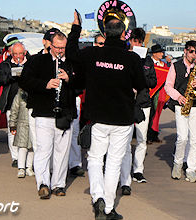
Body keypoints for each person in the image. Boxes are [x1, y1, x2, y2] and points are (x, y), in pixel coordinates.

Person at [66, 13, 146, 219]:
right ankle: (108, 207)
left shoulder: (92, 54)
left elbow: (71, 53)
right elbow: (143, 85)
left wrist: (76, 28)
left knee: (94, 159)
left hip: (99, 118)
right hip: (122, 118)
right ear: (123, 34)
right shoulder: (132, 58)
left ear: (104, 33)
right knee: (113, 163)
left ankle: (98, 197)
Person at [19, 31, 77, 199]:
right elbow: (24, 81)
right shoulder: (37, 61)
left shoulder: (72, 62)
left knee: (62, 151)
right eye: (57, 47)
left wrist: (69, 79)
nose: (60, 51)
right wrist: (45, 84)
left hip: (65, 113)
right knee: (43, 150)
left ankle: (59, 184)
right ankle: (43, 183)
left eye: (63, 48)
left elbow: (82, 84)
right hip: (44, 112)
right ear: (50, 45)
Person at [164, 40, 196, 182]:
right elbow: (168, 86)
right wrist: (178, 97)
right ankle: (177, 163)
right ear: (185, 51)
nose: (194, 55)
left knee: (195, 139)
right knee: (182, 137)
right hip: (181, 104)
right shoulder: (175, 66)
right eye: (192, 52)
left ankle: (191, 169)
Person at [120, 27, 157, 194]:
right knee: (126, 140)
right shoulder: (124, 56)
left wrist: (140, 75)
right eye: (135, 41)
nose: (137, 44)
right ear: (130, 41)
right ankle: (124, 171)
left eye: (140, 42)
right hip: (127, 103)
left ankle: (138, 170)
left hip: (143, 103)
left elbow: (153, 81)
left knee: (142, 139)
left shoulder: (147, 61)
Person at [0, 42, 29, 168]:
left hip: (27, 100)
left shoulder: (30, 62)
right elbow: (1, 80)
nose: (18, 56)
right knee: (13, 129)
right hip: (11, 100)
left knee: (28, 129)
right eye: (15, 54)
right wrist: (12, 76)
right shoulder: (6, 64)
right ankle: (15, 157)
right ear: (11, 53)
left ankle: (26, 156)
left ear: (24, 53)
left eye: (20, 53)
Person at [8, 87, 34, 178]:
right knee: (22, 147)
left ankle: (29, 167)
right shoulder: (19, 95)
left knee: (32, 147)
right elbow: (14, 110)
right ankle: (21, 168)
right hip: (22, 124)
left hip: (33, 124)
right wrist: (12, 124)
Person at [147, 44, 168, 144]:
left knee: (156, 113)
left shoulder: (163, 65)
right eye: (160, 52)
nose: (162, 54)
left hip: (159, 92)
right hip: (148, 91)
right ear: (154, 54)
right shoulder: (147, 62)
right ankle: (147, 135)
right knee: (149, 114)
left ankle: (153, 134)